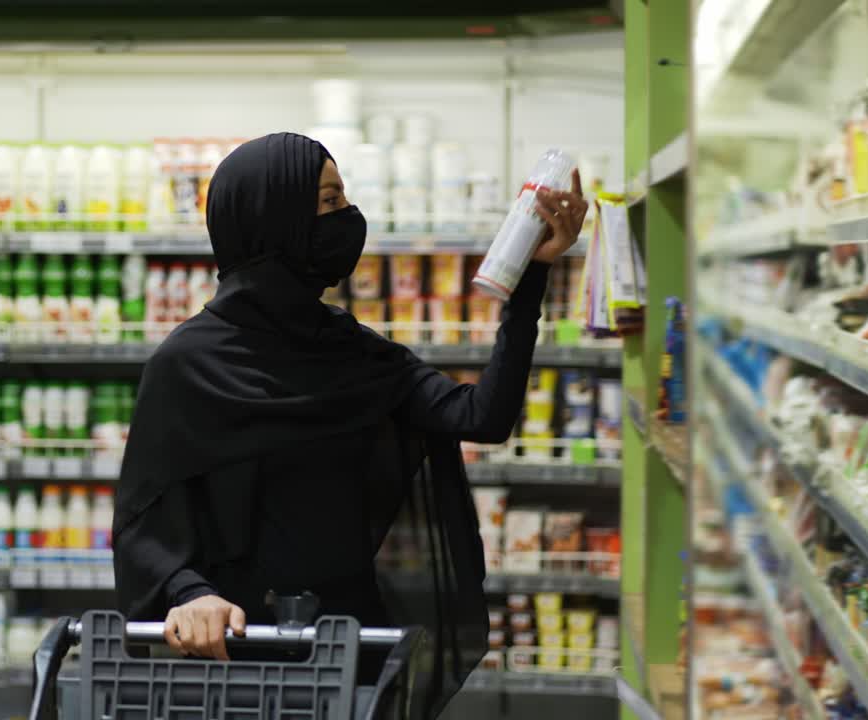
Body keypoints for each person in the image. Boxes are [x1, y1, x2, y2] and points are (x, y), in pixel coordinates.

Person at [114, 132, 585, 713]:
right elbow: (145, 519)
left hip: (350, 648)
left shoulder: (353, 351)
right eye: (330, 202)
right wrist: (189, 596)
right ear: (275, 219)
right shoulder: (185, 366)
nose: (348, 218)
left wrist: (529, 279)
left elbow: (480, 416)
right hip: (235, 653)